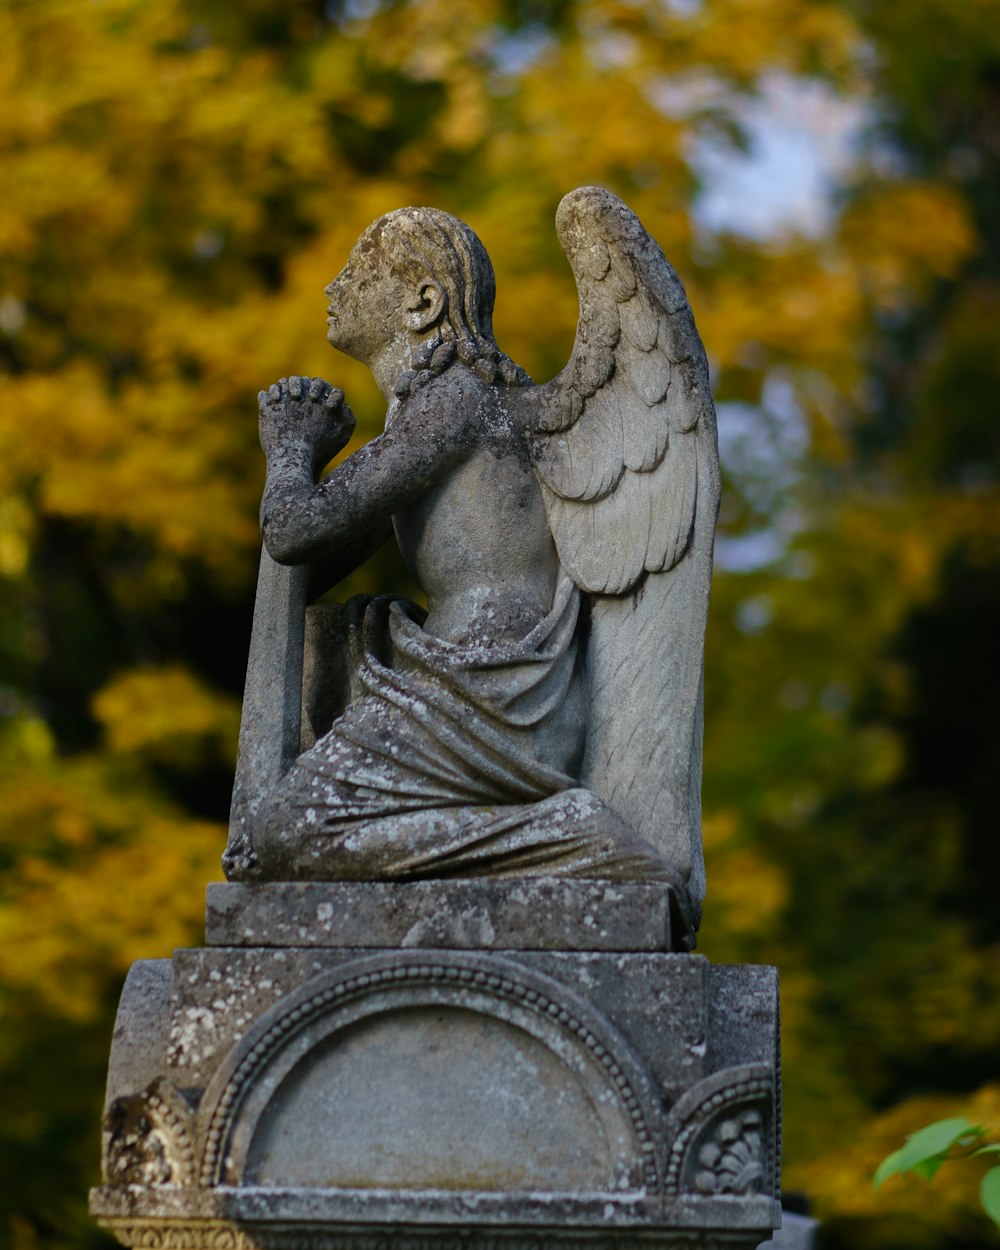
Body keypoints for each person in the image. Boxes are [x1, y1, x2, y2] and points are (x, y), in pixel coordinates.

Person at [240, 206, 679, 886]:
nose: (334, 287)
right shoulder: (450, 411)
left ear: (422, 302)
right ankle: (545, 836)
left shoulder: (456, 403)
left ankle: (565, 836)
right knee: (335, 645)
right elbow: (300, 559)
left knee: (288, 830)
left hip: (490, 691)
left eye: (359, 272)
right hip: (472, 682)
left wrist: (292, 449)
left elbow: (294, 529)